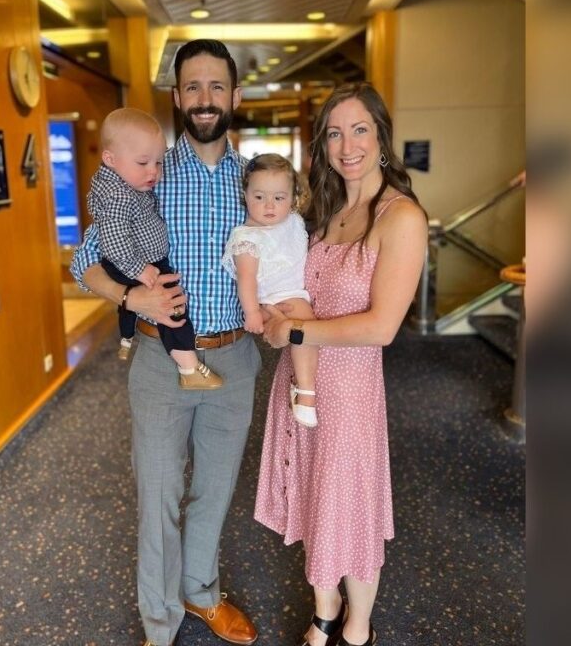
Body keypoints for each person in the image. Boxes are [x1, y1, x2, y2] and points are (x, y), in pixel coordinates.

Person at [70, 40, 259, 646]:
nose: (206, 99)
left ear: (236, 96)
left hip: (233, 356)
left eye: (217, 87)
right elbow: (83, 262)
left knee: (215, 488)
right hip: (158, 357)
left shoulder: (260, 181)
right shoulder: (146, 170)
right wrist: (131, 299)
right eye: (193, 88)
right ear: (177, 98)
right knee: (159, 495)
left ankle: (201, 593)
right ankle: (159, 619)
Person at [255, 83, 428, 646]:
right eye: (334, 132)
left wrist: (297, 328)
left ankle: (357, 628)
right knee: (313, 497)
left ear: (380, 136)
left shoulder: (400, 217)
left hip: (350, 392)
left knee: (348, 508)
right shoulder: (323, 209)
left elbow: (382, 327)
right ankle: (324, 610)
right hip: (301, 381)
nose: (347, 144)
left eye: (359, 129)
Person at [87, 107, 223, 389]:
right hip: (140, 263)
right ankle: (188, 367)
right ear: (110, 160)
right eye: (143, 163)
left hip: (233, 344)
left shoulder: (131, 184)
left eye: (158, 163)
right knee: (173, 307)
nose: (153, 172)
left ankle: (125, 338)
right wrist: (135, 275)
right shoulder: (117, 194)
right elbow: (94, 253)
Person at [222, 154, 319, 426]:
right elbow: (247, 279)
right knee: (305, 327)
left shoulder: (294, 221)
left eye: (279, 198)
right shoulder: (247, 237)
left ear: (293, 197)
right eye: (259, 197)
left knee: (308, 333)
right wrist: (252, 311)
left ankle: (301, 383)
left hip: (296, 289)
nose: (269, 206)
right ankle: (306, 392)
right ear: (245, 194)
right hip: (277, 296)